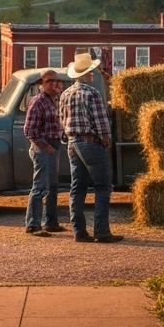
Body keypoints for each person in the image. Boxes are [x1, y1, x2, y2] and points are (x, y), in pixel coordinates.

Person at [59, 52, 122, 243]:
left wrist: (68, 139)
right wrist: (106, 140)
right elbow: (102, 122)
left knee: (77, 188)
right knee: (103, 186)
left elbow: (62, 121)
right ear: (89, 74)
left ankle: (79, 231)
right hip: (90, 142)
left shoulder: (65, 94)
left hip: (72, 142)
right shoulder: (92, 93)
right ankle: (101, 230)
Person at [22, 69, 64, 236]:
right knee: (40, 187)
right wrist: (46, 146)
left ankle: (51, 223)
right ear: (42, 84)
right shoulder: (38, 101)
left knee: (52, 187)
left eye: (56, 81)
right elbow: (29, 130)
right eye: (49, 81)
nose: (54, 84)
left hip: (54, 145)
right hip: (42, 147)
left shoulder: (57, 100)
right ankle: (33, 225)